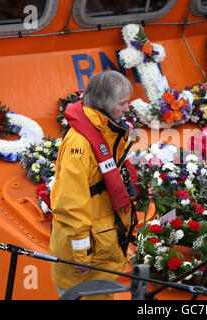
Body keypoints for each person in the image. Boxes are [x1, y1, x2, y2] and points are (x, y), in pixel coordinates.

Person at [49, 70, 150, 299]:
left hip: (102, 251)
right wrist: (81, 253)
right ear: (104, 103)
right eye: (122, 103)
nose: (127, 108)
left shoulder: (106, 131)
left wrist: (140, 190)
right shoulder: (80, 144)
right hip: (84, 263)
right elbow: (70, 204)